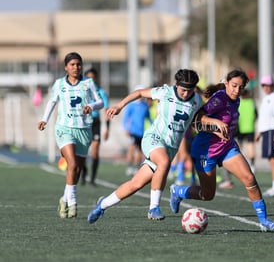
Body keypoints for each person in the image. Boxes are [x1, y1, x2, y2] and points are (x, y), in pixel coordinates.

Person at [169, 69, 274, 232]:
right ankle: (178, 191)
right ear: (227, 83)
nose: (237, 90)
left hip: (226, 147)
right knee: (207, 195)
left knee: (249, 179)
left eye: (241, 87)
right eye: (234, 86)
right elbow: (197, 119)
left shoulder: (236, 100)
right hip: (204, 150)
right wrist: (215, 123)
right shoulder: (219, 98)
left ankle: (264, 221)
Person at [87, 69, 203, 223]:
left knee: (135, 184)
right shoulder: (165, 92)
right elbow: (140, 93)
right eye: (183, 90)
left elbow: (200, 118)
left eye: (189, 91)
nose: (185, 94)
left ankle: (103, 204)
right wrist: (119, 106)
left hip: (170, 148)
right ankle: (153, 207)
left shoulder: (197, 100)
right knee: (164, 162)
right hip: (153, 139)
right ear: (176, 85)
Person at [37, 52, 103, 219]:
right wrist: (44, 119)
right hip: (64, 129)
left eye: (78, 64)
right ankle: (73, 203)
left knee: (78, 169)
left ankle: (64, 199)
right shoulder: (59, 84)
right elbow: (52, 101)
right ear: (66, 67)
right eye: (72, 64)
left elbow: (100, 102)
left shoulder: (88, 83)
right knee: (72, 164)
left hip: (83, 129)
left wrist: (92, 106)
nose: (76, 67)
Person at [255, 75, 274, 197]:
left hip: (273, 131)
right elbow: (264, 118)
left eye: (268, 85)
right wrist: (260, 132)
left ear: (273, 85)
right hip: (267, 132)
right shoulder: (266, 98)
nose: (266, 87)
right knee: (272, 159)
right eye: (264, 85)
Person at [219, 89, 257, 189]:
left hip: (239, 129)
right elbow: (256, 115)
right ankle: (252, 166)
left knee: (236, 150)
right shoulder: (252, 102)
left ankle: (231, 174)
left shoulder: (238, 103)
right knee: (251, 147)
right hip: (250, 128)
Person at [81, 67, 110, 186]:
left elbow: (107, 111)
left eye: (93, 78)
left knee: (95, 152)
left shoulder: (101, 92)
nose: (91, 80)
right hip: (83, 122)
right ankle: (83, 173)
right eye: (89, 78)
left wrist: (107, 129)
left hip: (95, 122)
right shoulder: (81, 90)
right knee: (82, 151)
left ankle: (92, 179)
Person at [122, 85, 151, 176]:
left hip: (142, 132)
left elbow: (148, 118)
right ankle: (129, 167)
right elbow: (126, 118)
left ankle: (136, 167)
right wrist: (126, 128)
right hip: (133, 131)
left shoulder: (144, 105)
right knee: (132, 148)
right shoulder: (131, 105)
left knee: (139, 150)